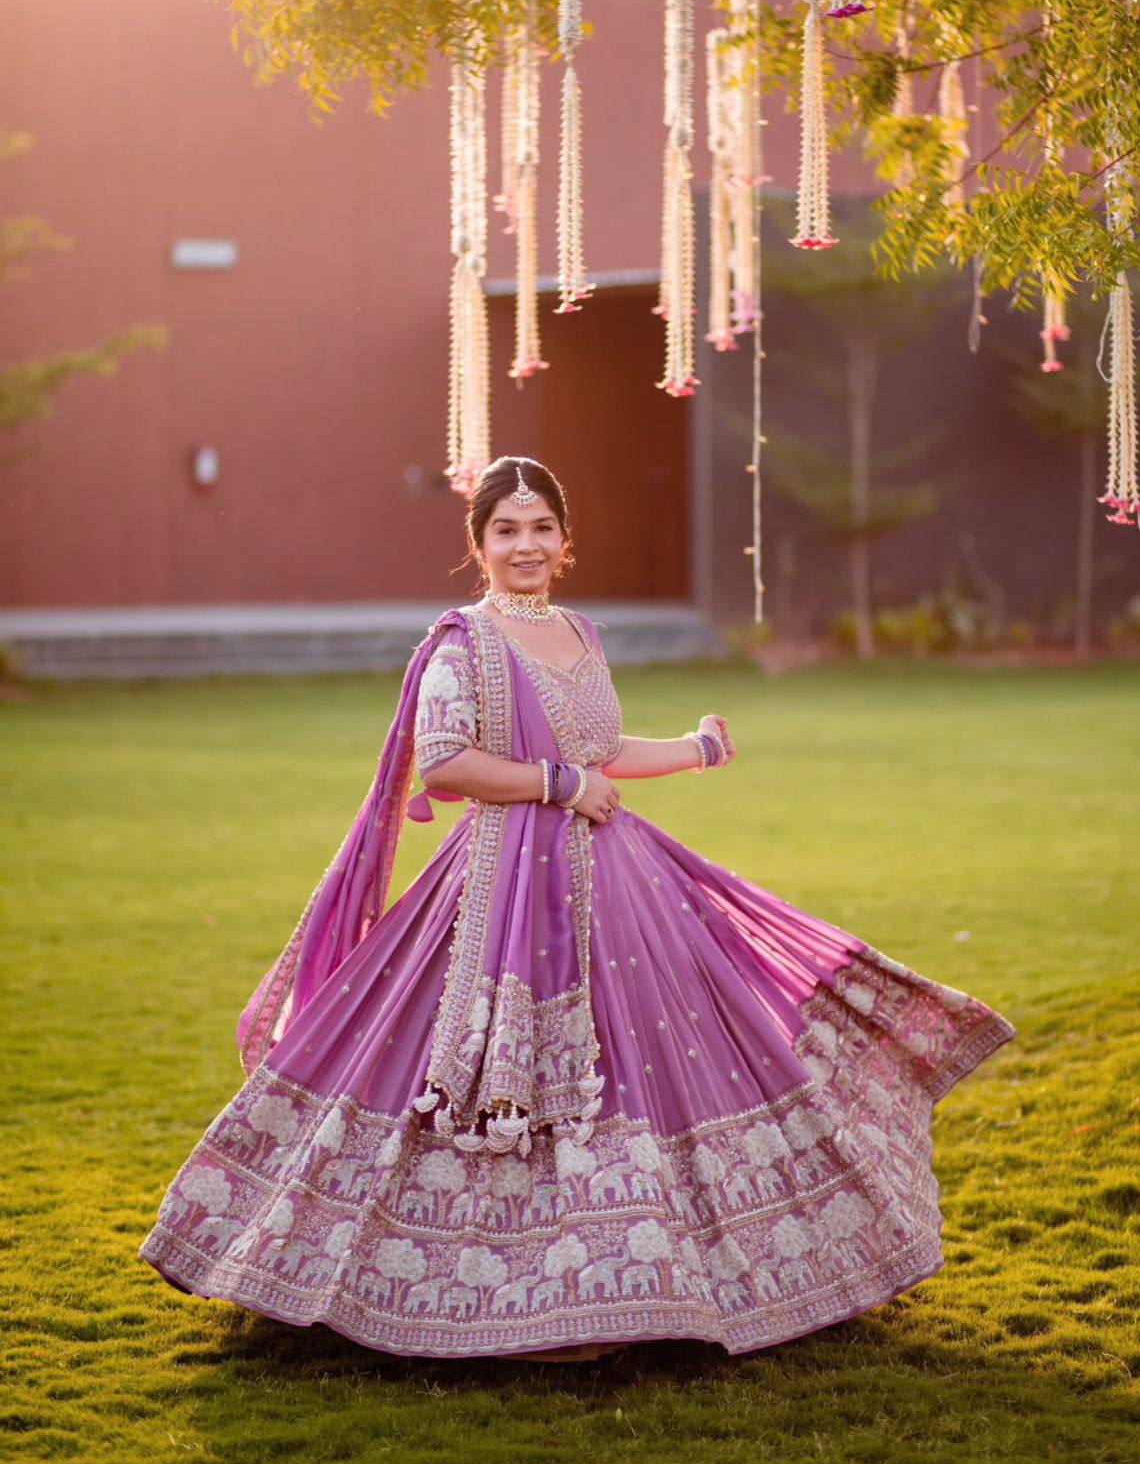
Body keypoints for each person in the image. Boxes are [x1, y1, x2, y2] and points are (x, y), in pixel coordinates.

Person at [138, 455, 1016, 1363]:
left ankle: (643, 1285)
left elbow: (602, 747)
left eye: (541, 528)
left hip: (619, 888)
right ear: (478, 543)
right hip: (499, 888)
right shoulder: (460, 643)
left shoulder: (580, 634)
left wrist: (692, 750)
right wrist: (562, 785)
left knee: (655, 1059)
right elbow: (446, 764)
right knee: (492, 1072)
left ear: (565, 541)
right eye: (506, 530)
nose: (525, 545)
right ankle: (491, 1294)